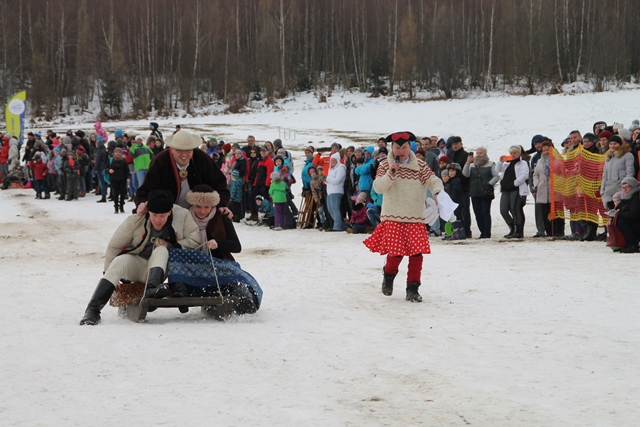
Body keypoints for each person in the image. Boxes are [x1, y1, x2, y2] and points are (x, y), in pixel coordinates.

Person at [79, 190, 201, 325]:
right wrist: (108, 273)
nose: (158, 220)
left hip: (160, 268)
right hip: (137, 264)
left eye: (162, 216)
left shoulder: (182, 215)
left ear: (170, 212)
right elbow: (114, 246)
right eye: (154, 215)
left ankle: (151, 290)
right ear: (149, 212)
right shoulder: (135, 220)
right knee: (119, 261)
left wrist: (171, 244)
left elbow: (196, 241)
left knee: (161, 249)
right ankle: (92, 311)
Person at [363, 131, 443, 303]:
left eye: (404, 147)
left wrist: (437, 192)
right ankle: (389, 275)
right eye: (398, 147)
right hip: (393, 216)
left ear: (410, 148)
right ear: (392, 147)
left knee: (416, 255)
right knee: (396, 253)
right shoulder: (385, 165)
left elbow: (434, 180)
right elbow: (378, 188)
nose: (401, 151)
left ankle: (413, 288)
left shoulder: (420, 166)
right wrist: (391, 174)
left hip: (415, 216)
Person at [166, 185, 262, 315]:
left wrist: (218, 243)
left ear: (212, 206)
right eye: (198, 207)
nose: (202, 211)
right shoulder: (185, 218)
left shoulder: (221, 217)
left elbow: (236, 246)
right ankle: (181, 293)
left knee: (234, 279)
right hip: (192, 267)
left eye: (206, 207)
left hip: (218, 264)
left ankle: (245, 300)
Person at [135, 129, 230, 215]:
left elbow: (219, 183)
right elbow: (146, 189)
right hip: (168, 214)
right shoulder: (160, 160)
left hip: (198, 214)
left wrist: (222, 204)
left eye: (188, 150)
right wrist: (142, 203)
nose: (184, 155)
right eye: (180, 150)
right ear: (172, 149)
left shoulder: (201, 158)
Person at [462, 147, 499, 239]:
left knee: (485, 212)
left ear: (485, 154)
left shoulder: (490, 164)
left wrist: (489, 184)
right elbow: (465, 174)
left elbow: (496, 176)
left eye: (480, 153)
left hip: (485, 192)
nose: (478, 154)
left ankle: (487, 233)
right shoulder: (472, 165)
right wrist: (467, 163)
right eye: (477, 153)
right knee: (477, 213)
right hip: (474, 192)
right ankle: (482, 232)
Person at [496, 145, 530, 238]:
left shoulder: (523, 163)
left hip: (516, 189)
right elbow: (497, 170)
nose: (513, 154)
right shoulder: (506, 163)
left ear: (519, 153)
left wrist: (516, 182)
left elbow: (525, 174)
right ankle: (511, 227)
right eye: (511, 153)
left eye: (515, 153)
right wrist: (500, 161)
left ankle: (518, 230)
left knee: (515, 210)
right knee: (503, 210)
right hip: (505, 189)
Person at [599, 135, 634, 210]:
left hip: (621, 189)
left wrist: (625, 188)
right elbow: (604, 176)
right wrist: (602, 191)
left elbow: (630, 173)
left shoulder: (627, 156)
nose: (612, 146)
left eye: (615, 143)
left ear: (620, 144)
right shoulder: (608, 158)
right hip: (608, 190)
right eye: (610, 144)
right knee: (611, 214)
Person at [612, 177, 640, 253]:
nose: (624, 190)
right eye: (622, 188)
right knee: (618, 220)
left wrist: (618, 214)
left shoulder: (636, 196)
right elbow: (618, 208)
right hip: (633, 223)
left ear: (633, 186)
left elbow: (633, 214)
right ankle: (625, 244)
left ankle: (633, 245)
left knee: (622, 221)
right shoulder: (625, 196)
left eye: (627, 187)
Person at [326, 152, 348, 232]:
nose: (332, 162)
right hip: (330, 191)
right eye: (331, 160)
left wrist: (327, 178)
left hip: (337, 191)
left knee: (335, 209)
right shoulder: (330, 169)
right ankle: (340, 224)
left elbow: (337, 180)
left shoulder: (341, 168)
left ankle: (337, 226)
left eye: (334, 160)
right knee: (330, 209)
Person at [108, 147, 130, 213]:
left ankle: (121, 206)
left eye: (119, 152)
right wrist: (109, 170)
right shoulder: (111, 160)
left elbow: (127, 170)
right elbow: (107, 167)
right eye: (116, 152)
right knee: (115, 193)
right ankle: (116, 207)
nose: (118, 153)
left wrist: (128, 177)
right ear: (114, 153)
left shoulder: (124, 160)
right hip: (114, 179)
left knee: (122, 193)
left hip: (122, 179)